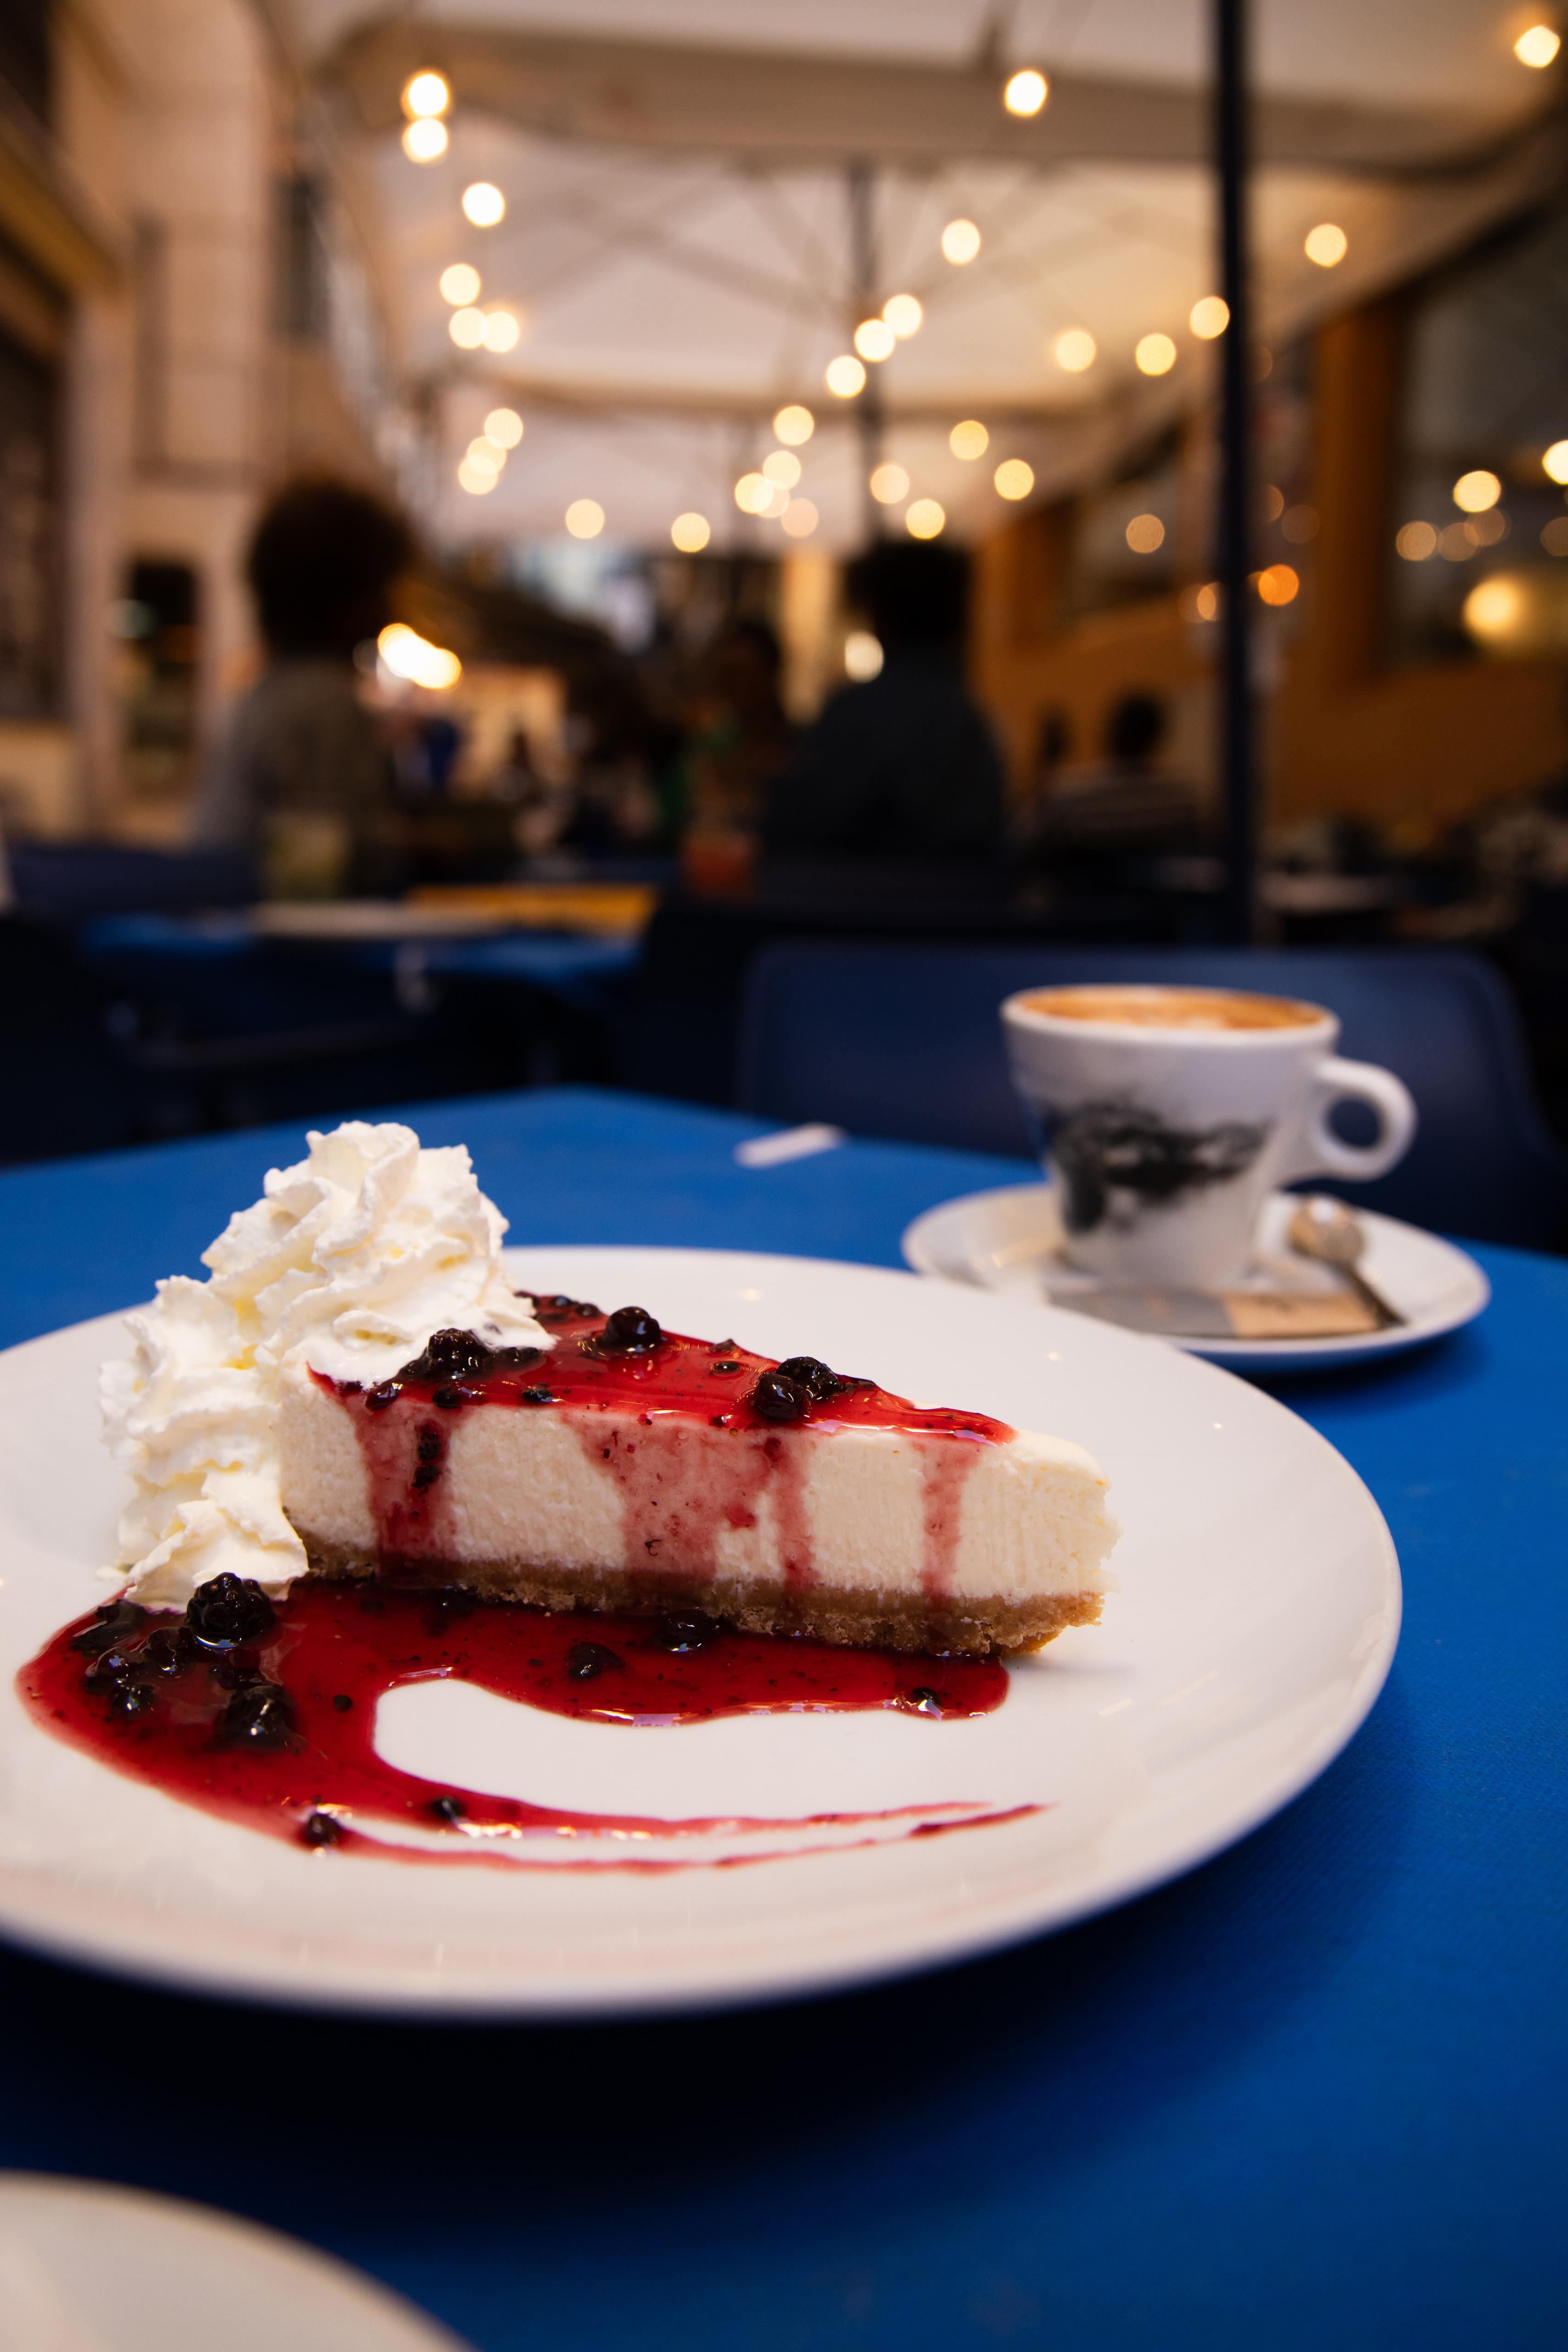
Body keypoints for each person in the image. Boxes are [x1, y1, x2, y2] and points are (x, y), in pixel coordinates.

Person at [192, 478, 412, 894]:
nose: (389, 613)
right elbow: (348, 865)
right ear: (345, 597)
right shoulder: (326, 704)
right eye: (381, 591)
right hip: (272, 926)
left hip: (223, 914)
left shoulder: (266, 694)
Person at [762, 540, 1005, 870]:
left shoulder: (856, 715)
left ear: (878, 614)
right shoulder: (972, 723)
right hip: (958, 902)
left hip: (851, 899)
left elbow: (797, 828)